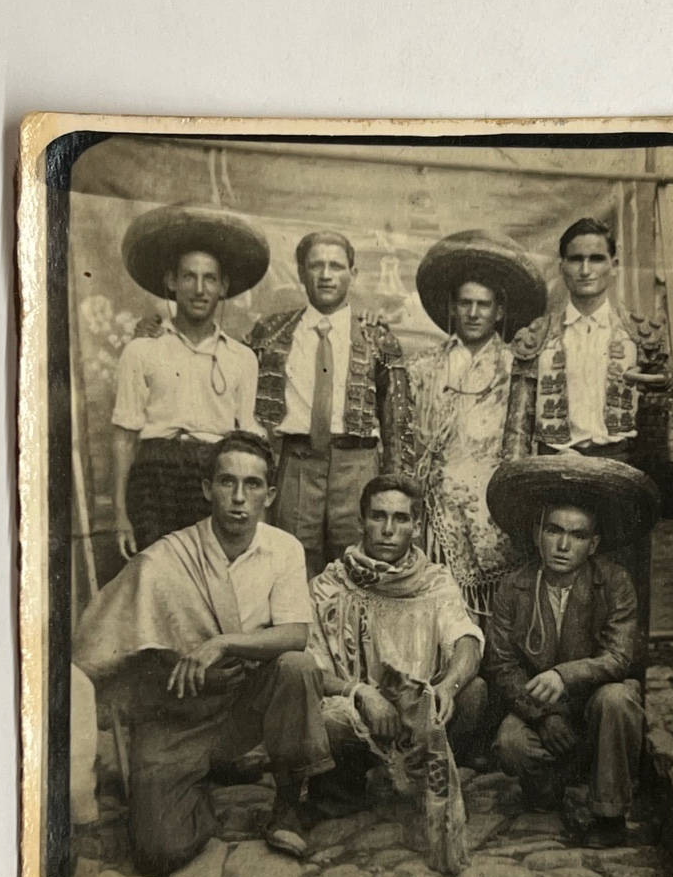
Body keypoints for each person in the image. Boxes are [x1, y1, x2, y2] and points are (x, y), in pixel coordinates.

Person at [72, 431, 333, 874]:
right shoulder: (164, 559)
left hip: (241, 705)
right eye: (227, 482)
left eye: (252, 485)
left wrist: (223, 643)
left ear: (269, 495)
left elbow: (294, 635)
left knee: (297, 667)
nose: (238, 498)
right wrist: (181, 668)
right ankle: (207, 782)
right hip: (180, 715)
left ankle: (288, 804)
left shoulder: (284, 548)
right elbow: (114, 658)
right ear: (207, 489)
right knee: (160, 854)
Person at [307, 474, 485, 874]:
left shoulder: (434, 581)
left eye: (401, 519)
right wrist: (360, 694)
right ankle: (346, 785)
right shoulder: (330, 584)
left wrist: (447, 687)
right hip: (356, 708)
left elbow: (467, 641)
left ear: (416, 526)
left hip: (415, 713)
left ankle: (419, 779)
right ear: (361, 522)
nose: (389, 530)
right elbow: (311, 665)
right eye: (378, 517)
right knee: (325, 720)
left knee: (475, 693)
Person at [484, 455, 660, 847]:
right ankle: (553, 788)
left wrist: (565, 675)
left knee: (618, 698)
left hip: (594, 709)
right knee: (511, 742)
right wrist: (543, 716)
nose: (563, 545)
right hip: (544, 715)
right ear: (537, 534)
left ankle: (608, 815)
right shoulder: (515, 587)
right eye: (554, 530)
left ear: (593, 543)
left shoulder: (613, 582)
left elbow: (618, 657)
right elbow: (501, 663)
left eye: (578, 535)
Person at [247, 231, 414, 579]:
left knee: (361, 563)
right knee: (291, 564)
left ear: (352, 272)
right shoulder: (271, 333)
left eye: (336, 266)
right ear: (301, 272)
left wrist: (396, 491)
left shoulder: (377, 338)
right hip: (297, 463)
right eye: (316, 265)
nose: (325, 275)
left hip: (357, 466)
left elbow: (396, 425)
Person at [113, 204, 270, 557]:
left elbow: (247, 434)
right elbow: (124, 438)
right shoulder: (141, 350)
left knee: (211, 575)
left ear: (223, 287)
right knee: (157, 576)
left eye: (210, 279)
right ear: (171, 282)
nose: (199, 289)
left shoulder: (242, 359)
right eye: (189, 277)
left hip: (214, 475)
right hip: (155, 475)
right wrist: (120, 515)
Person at [406, 230, 547, 619]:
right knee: (440, 604)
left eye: (482, 305)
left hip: (494, 507)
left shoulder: (516, 369)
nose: (473, 313)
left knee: (497, 610)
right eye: (465, 303)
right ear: (452, 307)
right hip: (437, 510)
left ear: (498, 312)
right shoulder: (423, 367)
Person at [504, 217, 671, 463]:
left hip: (621, 464)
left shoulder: (640, 336)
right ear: (562, 267)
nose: (585, 270)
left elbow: (660, 421)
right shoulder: (537, 337)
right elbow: (517, 427)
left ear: (613, 266)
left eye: (596, 259)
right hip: (554, 464)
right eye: (576, 259)